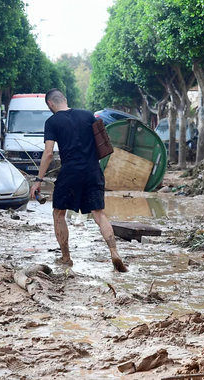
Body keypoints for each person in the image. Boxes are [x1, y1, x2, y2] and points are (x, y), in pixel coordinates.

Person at [30, 89, 128, 272]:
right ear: (65, 100)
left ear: (50, 104)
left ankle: (66, 258)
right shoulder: (87, 115)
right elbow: (103, 142)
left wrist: (38, 180)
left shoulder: (52, 122)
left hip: (70, 173)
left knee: (59, 214)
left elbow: (49, 153)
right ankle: (114, 252)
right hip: (93, 170)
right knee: (99, 215)